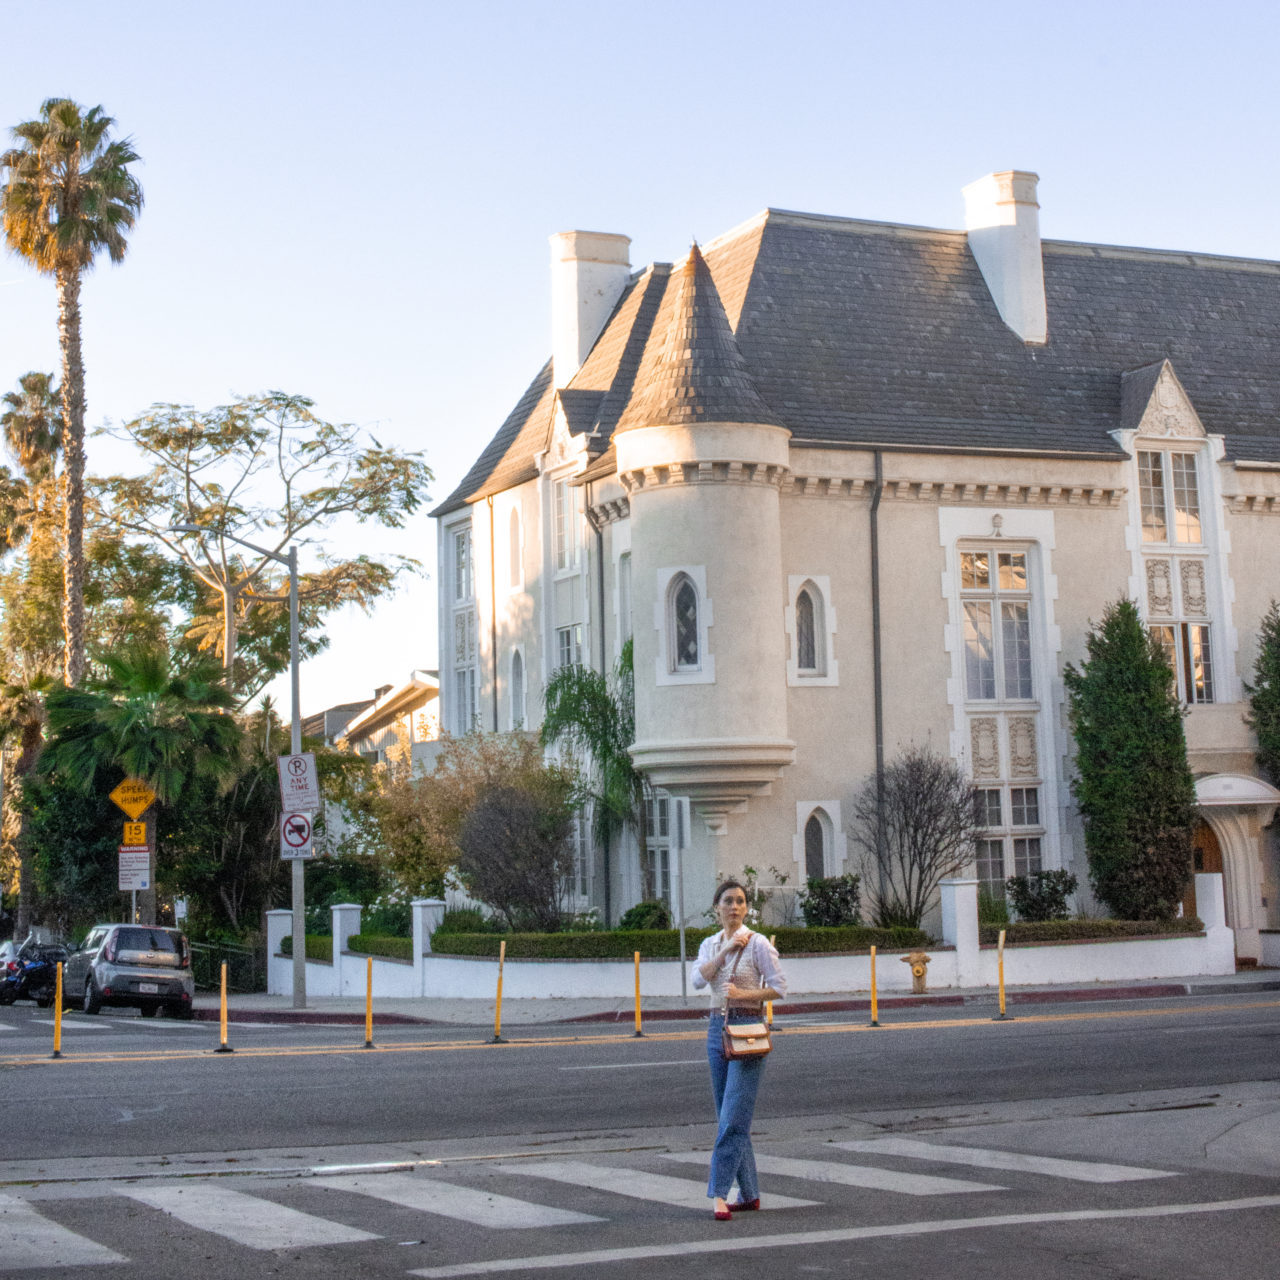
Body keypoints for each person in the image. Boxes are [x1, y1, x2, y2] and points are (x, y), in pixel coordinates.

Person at [691, 878, 786, 1220]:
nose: (734, 907)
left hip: (748, 1028)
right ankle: (750, 1193)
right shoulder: (710, 944)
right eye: (728, 901)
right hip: (717, 1028)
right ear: (717, 908)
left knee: (733, 1115)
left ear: (747, 908)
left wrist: (744, 995)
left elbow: (779, 988)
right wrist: (728, 950)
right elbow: (698, 979)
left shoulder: (758, 943)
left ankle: (718, 1193)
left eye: (740, 901)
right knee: (728, 1115)